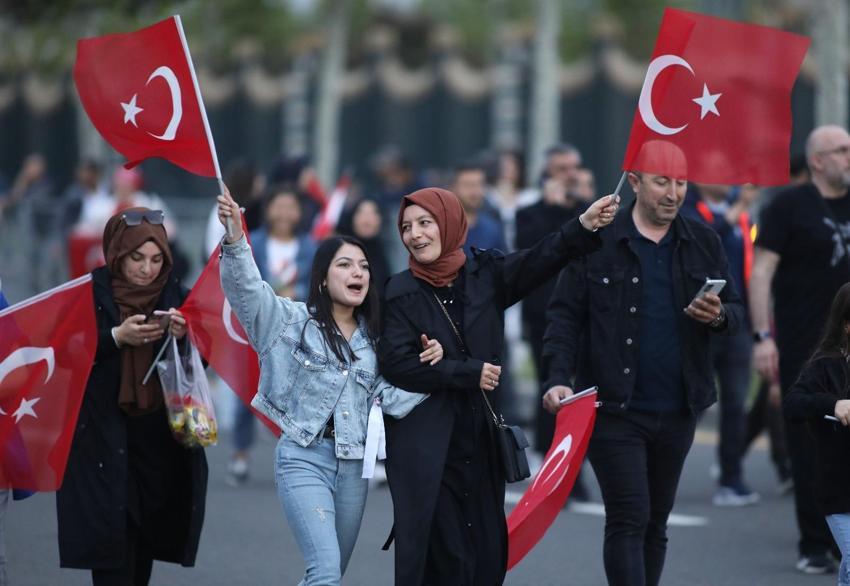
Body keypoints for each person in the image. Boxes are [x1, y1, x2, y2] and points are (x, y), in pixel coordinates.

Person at [377, 186, 617, 585]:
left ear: (450, 223)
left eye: (425, 223)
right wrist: (465, 371)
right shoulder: (400, 292)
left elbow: (540, 259)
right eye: (406, 227)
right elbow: (396, 364)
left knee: (487, 561)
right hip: (429, 448)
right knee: (446, 562)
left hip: (483, 442)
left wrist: (583, 225)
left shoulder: (485, 275)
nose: (415, 235)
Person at [542, 141, 744, 586]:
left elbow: (736, 313)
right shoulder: (597, 240)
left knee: (656, 520)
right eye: (661, 182)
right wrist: (558, 377)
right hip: (613, 406)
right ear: (634, 182)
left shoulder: (702, 241)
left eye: (680, 182)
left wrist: (720, 315)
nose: (673, 193)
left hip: (678, 406)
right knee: (628, 515)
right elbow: (564, 316)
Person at [217, 189, 443, 585]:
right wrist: (236, 239)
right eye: (344, 265)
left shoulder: (379, 341)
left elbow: (392, 399)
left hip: (356, 466)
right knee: (324, 572)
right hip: (303, 457)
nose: (358, 273)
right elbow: (247, 291)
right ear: (322, 278)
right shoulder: (289, 322)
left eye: (363, 267)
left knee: (328, 574)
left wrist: (434, 368)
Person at [56, 207, 208, 586]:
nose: (147, 269)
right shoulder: (88, 293)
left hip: (158, 443)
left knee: (142, 554)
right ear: (116, 255)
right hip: (102, 441)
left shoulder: (178, 296)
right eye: (136, 258)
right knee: (111, 554)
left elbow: (204, 358)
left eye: (157, 259)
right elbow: (62, 354)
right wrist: (114, 339)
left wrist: (184, 337)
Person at [751, 124, 850, 574]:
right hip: (805, 342)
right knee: (810, 441)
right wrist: (761, 337)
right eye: (842, 150)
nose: (849, 157)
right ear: (817, 160)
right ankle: (814, 540)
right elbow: (761, 273)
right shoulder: (788, 206)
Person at [227, 185, 318, 485]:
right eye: (278, 205)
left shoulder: (310, 246)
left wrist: (299, 292)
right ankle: (241, 452)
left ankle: (294, 453)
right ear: (267, 210)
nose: (283, 212)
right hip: (259, 325)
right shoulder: (256, 242)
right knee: (248, 384)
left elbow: (319, 284)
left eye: (290, 206)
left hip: (298, 327)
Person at [681, 182, 761, 506]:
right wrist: (737, 209)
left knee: (736, 402)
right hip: (699, 320)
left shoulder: (741, 213)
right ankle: (660, 467)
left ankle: (731, 477)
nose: (729, 181)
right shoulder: (689, 207)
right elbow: (703, 238)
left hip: (734, 320)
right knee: (692, 400)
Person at [785, 282, 850, 586]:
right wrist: (833, 404)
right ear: (847, 326)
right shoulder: (826, 366)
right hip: (839, 493)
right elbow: (794, 405)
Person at [337, 197, 391, 299]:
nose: (367, 218)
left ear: (380, 220)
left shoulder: (388, 252)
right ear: (352, 218)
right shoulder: (341, 251)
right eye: (361, 212)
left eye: (373, 213)